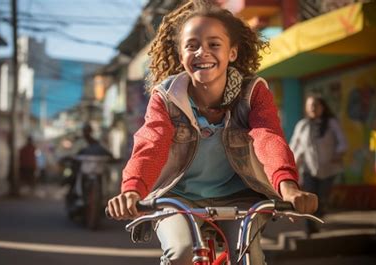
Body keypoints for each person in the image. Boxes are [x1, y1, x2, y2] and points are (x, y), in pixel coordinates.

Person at [106, 2, 318, 265]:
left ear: (232, 52)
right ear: (181, 54)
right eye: (191, 45)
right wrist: (132, 190)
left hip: (240, 197)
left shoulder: (252, 92)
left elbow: (268, 136)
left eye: (214, 44)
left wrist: (288, 187)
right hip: (177, 197)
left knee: (249, 258)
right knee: (181, 253)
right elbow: (152, 142)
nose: (202, 52)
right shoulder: (167, 97)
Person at [290, 95, 347, 235]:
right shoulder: (302, 125)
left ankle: (317, 219)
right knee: (310, 198)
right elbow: (294, 147)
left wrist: (338, 154)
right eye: (310, 105)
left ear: (322, 107)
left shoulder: (331, 123)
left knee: (321, 199)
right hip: (308, 170)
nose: (313, 108)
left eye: (316, 105)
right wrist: (293, 163)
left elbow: (343, 142)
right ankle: (310, 227)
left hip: (328, 170)